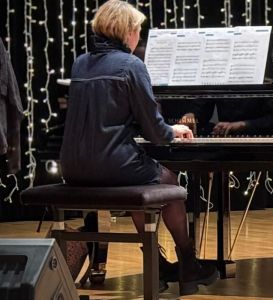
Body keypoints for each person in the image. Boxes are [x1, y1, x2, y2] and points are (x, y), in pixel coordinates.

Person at [59, 0, 218, 295]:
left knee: (145, 180)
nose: (138, 38)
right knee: (168, 180)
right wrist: (175, 130)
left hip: (73, 166)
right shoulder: (132, 65)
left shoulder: (80, 63)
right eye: (137, 31)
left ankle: (157, 265)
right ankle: (188, 264)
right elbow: (156, 132)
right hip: (111, 164)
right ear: (126, 31)